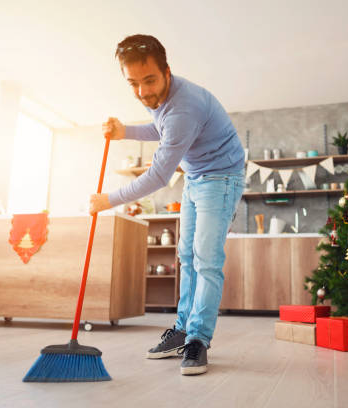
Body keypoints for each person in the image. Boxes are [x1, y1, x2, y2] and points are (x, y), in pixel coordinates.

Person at [89, 34, 245, 376]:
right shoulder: (160, 99)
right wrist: (124, 132)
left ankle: (198, 340)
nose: (143, 92)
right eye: (133, 83)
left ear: (167, 73)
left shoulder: (185, 107)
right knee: (186, 256)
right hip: (194, 178)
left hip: (220, 178)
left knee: (206, 261)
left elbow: (158, 176)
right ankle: (182, 329)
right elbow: (160, 127)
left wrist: (108, 200)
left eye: (149, 81)